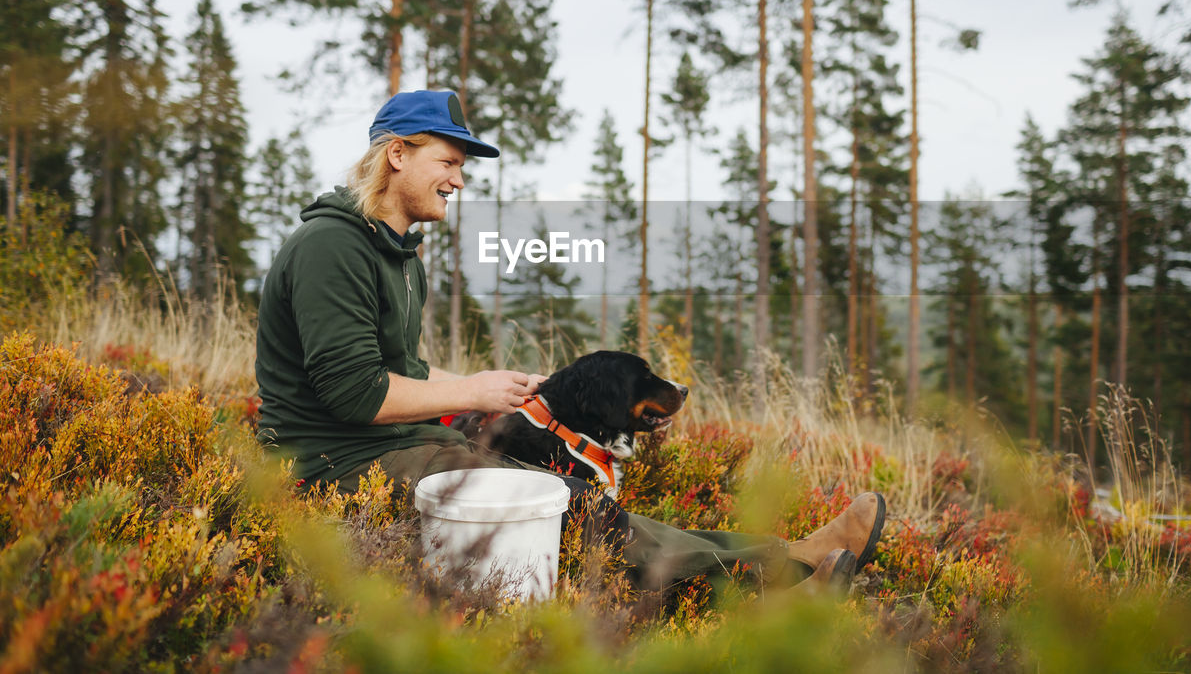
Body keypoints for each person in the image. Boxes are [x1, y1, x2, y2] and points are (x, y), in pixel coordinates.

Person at [255, 89, 886, 594]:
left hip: (396, 444)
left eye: (462, 167)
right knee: (564, 511)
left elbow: (402, 371)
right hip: (335, 463)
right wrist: (474, 390)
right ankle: (779, 581)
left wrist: (494, 385)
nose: (459, 179)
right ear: (398, 155)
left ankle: (785, 556)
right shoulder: (332, 247)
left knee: (575, 500)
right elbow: (353, 394)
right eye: (447, 162)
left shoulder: (397, 255)